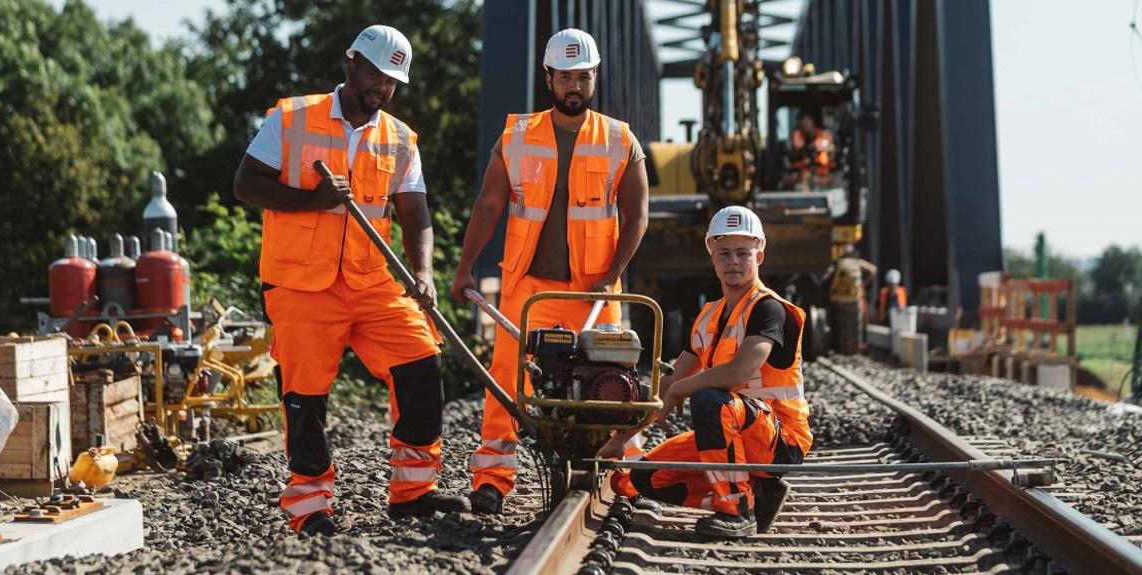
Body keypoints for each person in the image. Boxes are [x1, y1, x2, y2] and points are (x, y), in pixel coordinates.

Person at [233, 24, 467, 537]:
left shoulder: (400, 139)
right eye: (377, 75)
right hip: (300, 286)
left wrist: (423, 272)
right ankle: (310, 508)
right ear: (351, 65)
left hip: (371, 282)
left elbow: (415, 212)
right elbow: (245, 184)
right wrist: (313, 201)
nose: (383, 89)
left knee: (422, 364)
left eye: (393, 82)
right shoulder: (292, 118)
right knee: (306, 397)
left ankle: (413, 495)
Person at [449, 28, 649, 514]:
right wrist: (465, 268)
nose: (574, 86)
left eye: (583, 76)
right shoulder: (516, 136)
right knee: (505, 386)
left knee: (611, 387)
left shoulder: (620, 138)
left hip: (596, 289)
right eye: (565, 77)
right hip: (528, 288)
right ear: (548, 78)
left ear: (594, 77)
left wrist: (614, 273)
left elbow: (638, 214)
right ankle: (492, 480)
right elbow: (489, 204)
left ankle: (623, 476)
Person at [599, 205, 812, 539]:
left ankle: (737, 511)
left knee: (708, 397)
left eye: (743, 252)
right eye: (724, 253)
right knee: (645, 478)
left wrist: (684, 389)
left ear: (760, 256)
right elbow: (668, 383)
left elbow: (738, 373)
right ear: (712, 256)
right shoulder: (709, 316)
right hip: (735, 430)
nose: (733, 261)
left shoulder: (769, 309)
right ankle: (756, 494)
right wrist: (621, 438)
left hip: (779, 439)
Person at [786, 112, 836, 189]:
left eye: (807, 120)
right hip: (800, 178)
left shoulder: (824, 135)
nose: (804, 123)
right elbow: (790, 159)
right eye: (801, 121)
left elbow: (831, 154)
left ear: (812, 121)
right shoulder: (795, 138)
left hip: (822, 177)